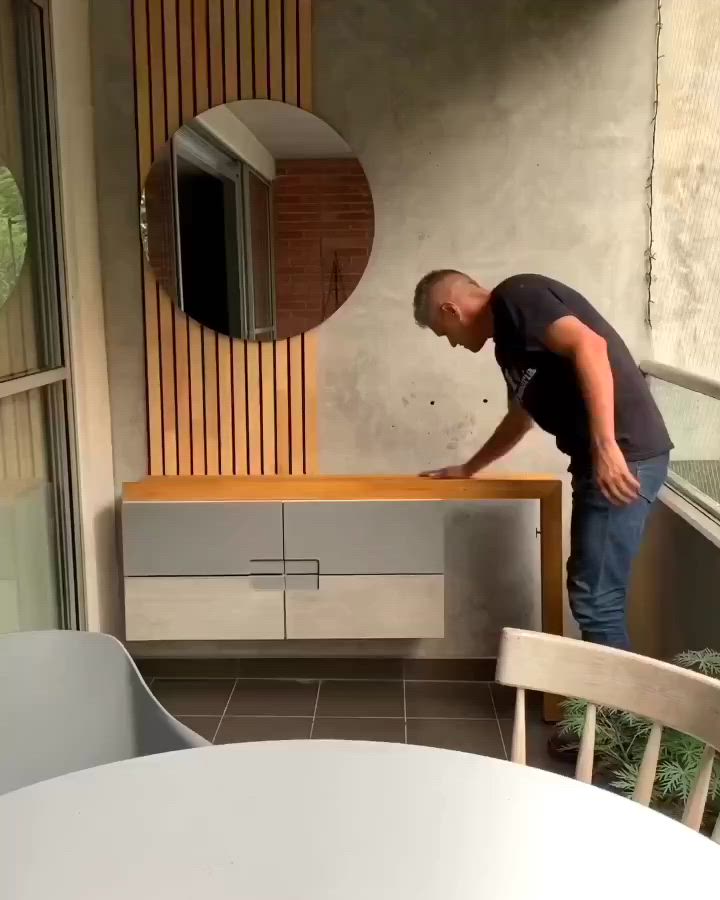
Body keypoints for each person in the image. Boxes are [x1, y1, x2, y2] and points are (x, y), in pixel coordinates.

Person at [413, 270, 672, 652]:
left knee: (596, 600)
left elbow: (590, 346)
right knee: (593, 595)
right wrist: (470, 468)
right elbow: (520, 419)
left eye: (443, 332)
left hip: (623, 454)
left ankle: (616, 713)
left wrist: (605, 446)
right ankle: (603, 710)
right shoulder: (508, 343)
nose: (451, 344)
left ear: (450, 310)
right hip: (602, 459)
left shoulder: (519, 296)